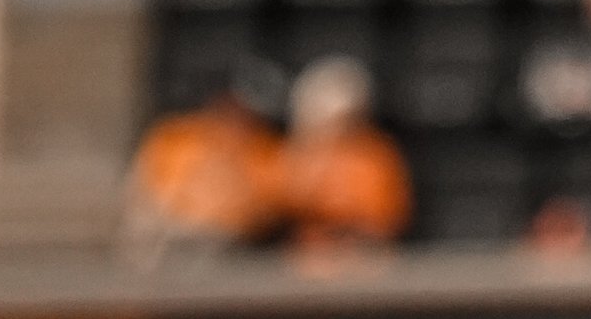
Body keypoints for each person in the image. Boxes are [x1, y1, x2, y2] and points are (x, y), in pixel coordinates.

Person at [124, 75, 288, 259]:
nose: (240, 120)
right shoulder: (177, 140)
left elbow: (271, 204)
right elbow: (152, 202)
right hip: (171, 243)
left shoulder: (261, 147)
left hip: (237, 250)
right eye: (235, 108)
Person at [275, 56, 414, 252]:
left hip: (364, 257)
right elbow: (277, 210)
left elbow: (387, 219)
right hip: (303, 261)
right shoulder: (290, 155)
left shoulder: (375, 155)